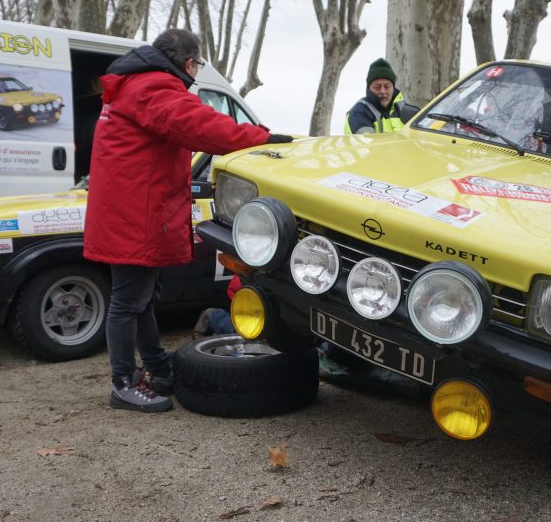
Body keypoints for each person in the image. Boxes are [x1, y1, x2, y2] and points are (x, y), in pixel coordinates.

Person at [83, 28, 292, 413]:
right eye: (198, 64)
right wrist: (261, 139)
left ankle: (157, 367)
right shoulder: (153, 87)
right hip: (134, 213)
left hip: (129, 210)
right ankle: (123, 383)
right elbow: (202, 126)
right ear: (188, 62)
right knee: (128, 301)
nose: (196, 72)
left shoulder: (136, 85)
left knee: (142, 298)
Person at [343, 58, 414, 134]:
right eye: (377, 87)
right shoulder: (359, 113)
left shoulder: (403, 109)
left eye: (387, 87)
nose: (383, 91)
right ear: (369, 88)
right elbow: (368, 141)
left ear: (393, 88)